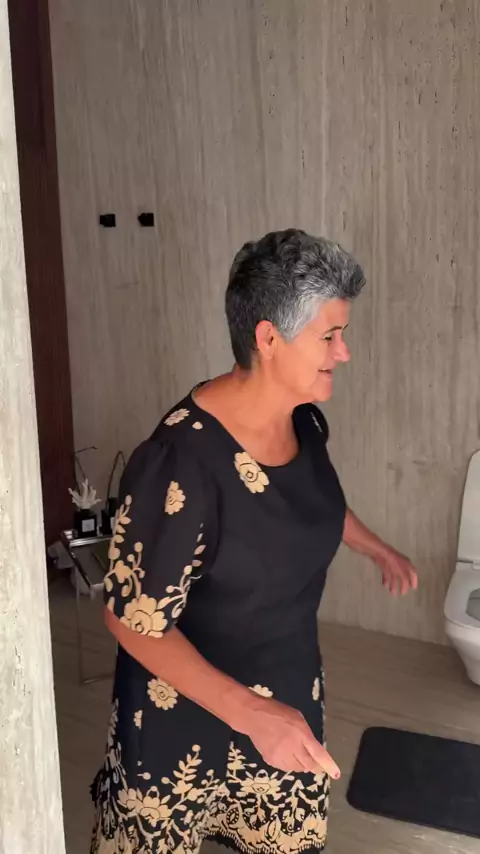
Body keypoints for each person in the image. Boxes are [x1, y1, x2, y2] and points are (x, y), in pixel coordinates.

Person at [90, 229, 418, 854]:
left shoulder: (305, 421)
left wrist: (373, 545)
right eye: (330, 336)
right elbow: (130, 620)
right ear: (269, 339)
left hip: (286, 702)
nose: (344, 352)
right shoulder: (180, 462)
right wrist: (251, 715)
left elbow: (307, 501)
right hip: (177, 724)